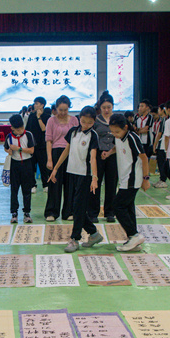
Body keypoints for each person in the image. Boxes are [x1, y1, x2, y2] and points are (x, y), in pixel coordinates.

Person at [51, 106, 103, 253]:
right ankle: (93, 233)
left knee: (78, 208)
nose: (85, 124)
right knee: (75, 208)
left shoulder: (93, 135)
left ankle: (75, 239)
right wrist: (55, 168)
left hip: (85, 175)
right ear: (79, 118)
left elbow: (93, 158)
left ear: (94, 122)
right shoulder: (73, 132)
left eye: (89, 122)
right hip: (71, 173)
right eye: (83, 121)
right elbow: (67, 150)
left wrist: (94, 177)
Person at [110, 113, 150, 252]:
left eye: (117, 131)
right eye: (112, 131)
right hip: (124, 178)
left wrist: (146, 179)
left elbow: (144, 158)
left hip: (132, 178)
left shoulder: (132, 138)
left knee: (117, 206)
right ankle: (133, 239)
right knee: (128, 207)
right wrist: (109, 153)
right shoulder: (119, 137)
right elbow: (119, 148)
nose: (115, 134)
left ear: (125, 127)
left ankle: (134, 235)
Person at [44, 96, 78, 221]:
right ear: (56, 109)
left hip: (71, 153)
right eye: (60, 110)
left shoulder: (74, 120)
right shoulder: (51, 121)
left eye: (65, 110)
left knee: (70, 184)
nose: (63, 113)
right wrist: (49, 159)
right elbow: (48, 140)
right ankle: (52, 212)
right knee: (54, 183)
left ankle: (69, 212)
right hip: (56, 152)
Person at [90, 93, 119, 222]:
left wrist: (110, 152)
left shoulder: (117, 119)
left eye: (109, 107)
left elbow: (121, 138)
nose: (106, 110)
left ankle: (110, 212)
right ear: (100, 108)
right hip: (98, 156)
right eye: (104, 108)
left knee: (111, 183)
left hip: (114, 155)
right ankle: (93, 212)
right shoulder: (96, 121)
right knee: (96, 182)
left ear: (112, 106)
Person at [5, 113, 35, 224]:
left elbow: (31, 150)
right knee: (14, 190)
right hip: (14, 165)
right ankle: (14, 213)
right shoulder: (9, 137)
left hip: (26, 164)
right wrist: (9, 151)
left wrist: (18, 149)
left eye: (21, 128)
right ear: (12, 127)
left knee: (26, 190)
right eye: (17, 130)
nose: (20, 131)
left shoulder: (28, 135)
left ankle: (27, 213)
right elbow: (6, 148)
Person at [30, 96, 51, 189]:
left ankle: (45, 184)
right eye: (34, 103)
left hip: (42, 145)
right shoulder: (31, 115)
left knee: (43, 166)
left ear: (42, 105)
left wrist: (39, 117)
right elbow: (28, 130)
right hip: (32, 146)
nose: (35, 105)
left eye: (37, 104)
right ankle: (32, 185)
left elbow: (44, 129)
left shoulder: (47, 117)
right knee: (31, 166)